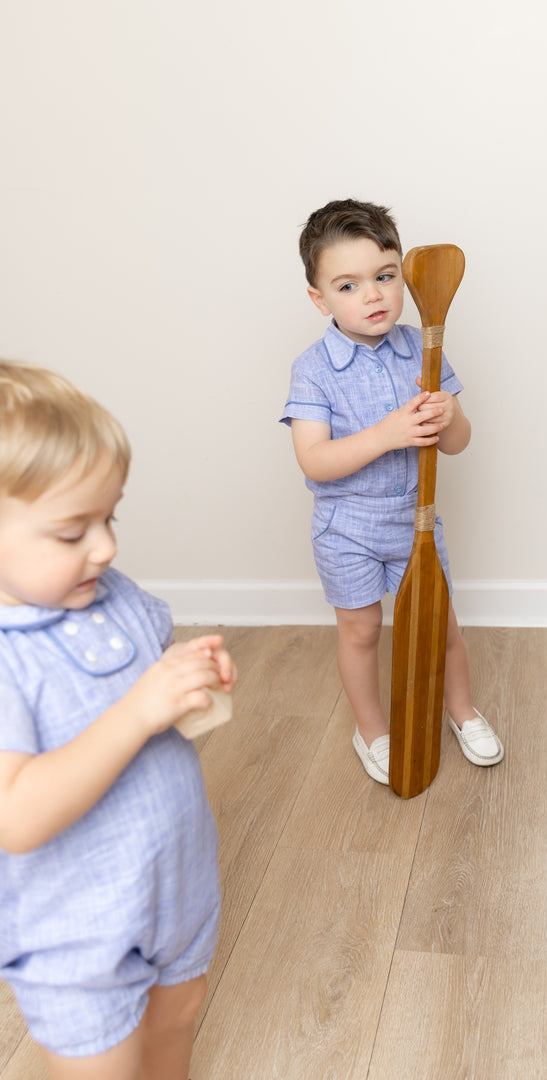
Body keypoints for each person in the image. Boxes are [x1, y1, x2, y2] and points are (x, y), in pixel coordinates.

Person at [0, 360, 237, 1080]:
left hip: (174, 890)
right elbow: (15, 816)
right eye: (73, 531)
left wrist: (186, 679)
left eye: (111, 517)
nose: (104, 547)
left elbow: (148, 670)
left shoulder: (110, 591)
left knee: (178, 1022)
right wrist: (140, 711)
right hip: (73, 932)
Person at [281, 198, 503, 785]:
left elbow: (455, 444)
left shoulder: (422, 347)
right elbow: (316, 461)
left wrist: (448, 413)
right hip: (346, 526)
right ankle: (372, 730)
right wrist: (387, 433)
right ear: (319, 298)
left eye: (384, 277)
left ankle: (462, 711)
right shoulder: (314, 370)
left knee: (439, 624)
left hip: (416, 521)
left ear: (403, 275)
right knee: (360, 632)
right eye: (348, 285)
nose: (373, 295)